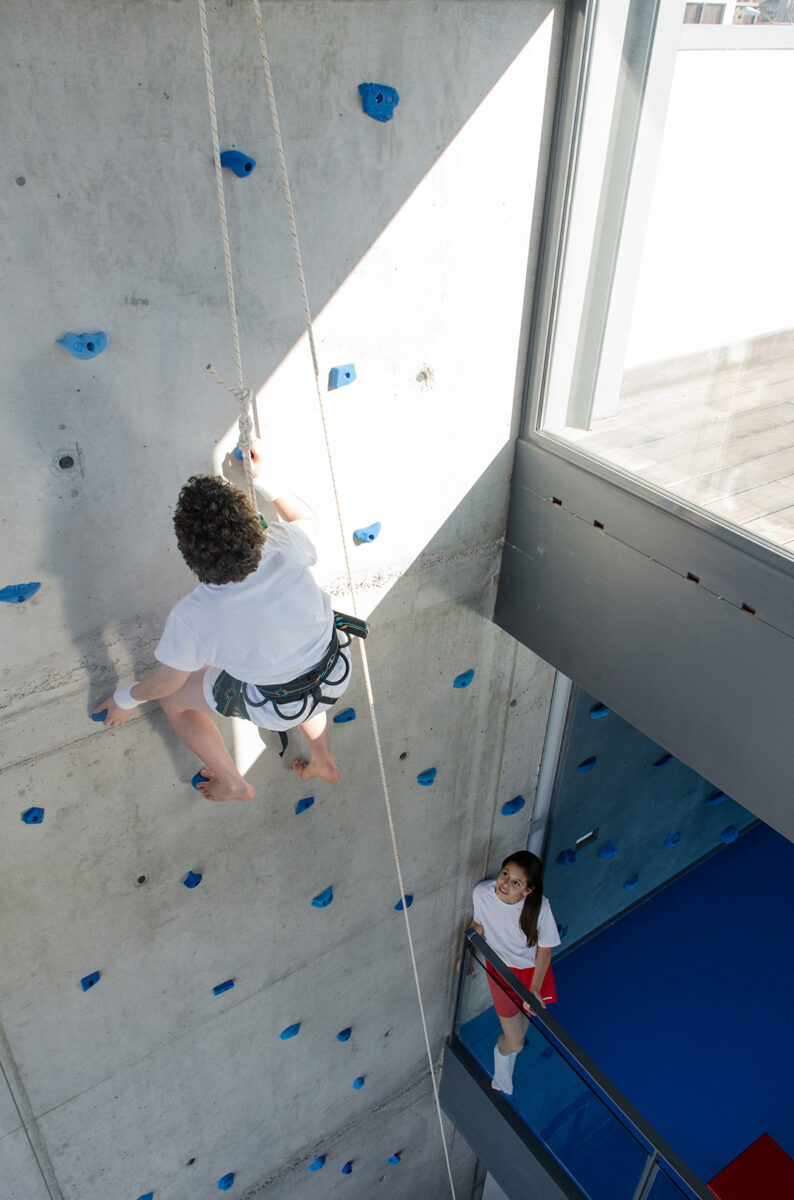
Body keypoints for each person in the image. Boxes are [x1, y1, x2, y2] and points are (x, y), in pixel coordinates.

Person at [92, 440, 351, 801]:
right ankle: (322, 758)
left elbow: (166, 684)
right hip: (334, 672)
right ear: (254, 526)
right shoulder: (285, 545)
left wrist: (126, 698)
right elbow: (307, 519)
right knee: (298, 681)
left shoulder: (194, 616)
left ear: (189, 554)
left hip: (277, 705)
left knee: (175, 703)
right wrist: (265, 480)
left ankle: (233, 782)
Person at [468, 851, 560, 1096]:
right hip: (501, 971)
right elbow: (477, 925)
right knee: (516, 1043)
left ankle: (505, 1068)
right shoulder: (482, 894)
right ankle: (502, 1066)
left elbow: (545, 951)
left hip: (533, 974)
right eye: (505, 874)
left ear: (527, 891)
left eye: (516, 882)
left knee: (522, 1026)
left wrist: (535, 989)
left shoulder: (540, 908)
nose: (505, 884)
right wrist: (464, 955)